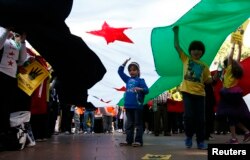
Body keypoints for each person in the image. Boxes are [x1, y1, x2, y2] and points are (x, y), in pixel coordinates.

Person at [173, 26, 214, 150]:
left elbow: (208, 81)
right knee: (189, 116)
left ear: (202, 52)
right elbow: (177, 46)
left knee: (201, 119)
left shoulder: (205, 66)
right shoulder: (186, 59)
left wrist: (216, 78)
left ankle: (200, 140)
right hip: (187, 93)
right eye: (194, 49)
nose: (196, 51)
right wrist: (176, 32)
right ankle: (189, 136)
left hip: (200, 95)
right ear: (190, 51)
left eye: (199, 50)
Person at [216, 42, 250, 144]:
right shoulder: (235, 69)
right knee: (232, 117)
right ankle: (246, 131)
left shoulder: (230, 69)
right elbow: (237, 59)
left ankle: (234, 138)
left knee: (230, 116)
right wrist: (239, 47)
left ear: (227, 65)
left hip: (228, 95)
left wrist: (232, 46)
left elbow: (231, 57)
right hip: (235, 95)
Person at [0, 27, 28, 136]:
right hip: (1, 73)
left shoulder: (15, 42)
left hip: (11, 77)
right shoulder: (3, 37)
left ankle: (4, 131)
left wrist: (22, 41)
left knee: (7, 106)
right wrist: (6, 30)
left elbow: (22, 59)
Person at [118, 58, 149, 147]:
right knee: (129, 124)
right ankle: (129, 140)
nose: (132, 72)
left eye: (134, 70)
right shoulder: (127, 79)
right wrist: (124, 62)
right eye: (130, 70)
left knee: (138, 124)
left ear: (138, 71)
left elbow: (147, 90)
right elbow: (120, 72)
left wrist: (140, 89)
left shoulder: (141, 80)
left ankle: (138, 141)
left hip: (137, 106)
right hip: (128, 105)